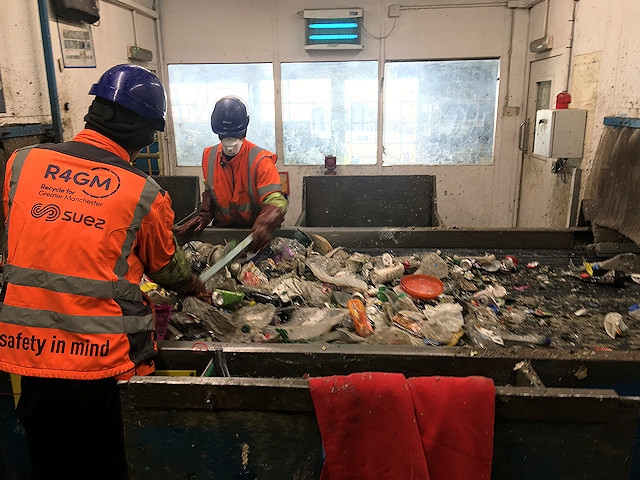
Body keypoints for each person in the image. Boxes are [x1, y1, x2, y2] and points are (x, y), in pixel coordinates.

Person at [0, 64, 211, 480]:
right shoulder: (143, 192)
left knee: (48, 462)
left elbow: (37, 238)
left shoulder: (21, 163)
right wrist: (194, 284)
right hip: (98, 361)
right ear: (141, 132)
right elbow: (166, 268)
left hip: (26, 351)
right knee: (106, 464)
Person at [176, 96, 288, 252]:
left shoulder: (260, 160)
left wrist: (264, 225)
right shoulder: (209, 156)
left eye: (234, 135)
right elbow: (210, 189)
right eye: (224, 135)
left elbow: (277, 202)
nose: (230, 142)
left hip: (254, 235)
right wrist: (205, 214)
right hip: (223, 232)